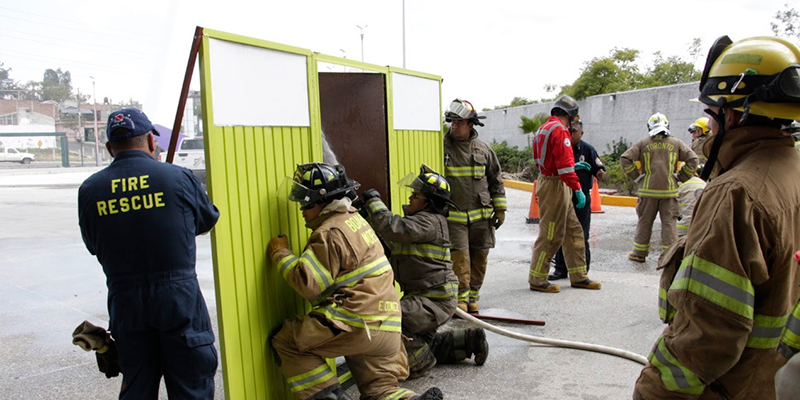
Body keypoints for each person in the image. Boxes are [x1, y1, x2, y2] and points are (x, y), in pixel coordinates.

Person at [633, 35, 800, 399]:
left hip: (733, 385)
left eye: (713, 112)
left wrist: (654, 391)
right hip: (775, 379)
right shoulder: (793, 171)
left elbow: (710, 330)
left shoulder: (736, 193)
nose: (707, 124)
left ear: (733, 112)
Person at [78, 108, 220, 399]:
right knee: (191, 386)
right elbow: (207, 220)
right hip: (178, 299)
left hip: (126, 303)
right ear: (152, 143)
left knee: (137, 386)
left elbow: (93, 245)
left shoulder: (90, 189)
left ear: (109, 149)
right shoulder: (177, 177)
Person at [268, 163, 442, 400]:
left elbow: (307, 283)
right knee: (380, 391)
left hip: (357, 322)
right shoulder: (358, 221)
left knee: (287, 340)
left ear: (321, 201)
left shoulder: (329, 231)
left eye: (305, 202)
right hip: (389, 326)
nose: (301, 208)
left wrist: (280, 254)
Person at [361, 165, 488, 379]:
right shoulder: (421, 223)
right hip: (428, 298)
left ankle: (420, 362)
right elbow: (390, 244)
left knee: (391, 318)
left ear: (428, 202)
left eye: (416, 195)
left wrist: (374, 202)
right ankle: (467, 341)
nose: (410, 198)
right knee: (420, 339)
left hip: (433, 301)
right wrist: (367, 216)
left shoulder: (428, 221)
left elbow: (393, 227)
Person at [528, 95, 601, 293]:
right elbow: (565, 168)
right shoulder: (559, 130)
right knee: (551, 234)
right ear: (570, 114)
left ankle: (579, 276)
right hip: (555, 185)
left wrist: (569, 173)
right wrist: (578, 189)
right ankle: (537, 279)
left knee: (574, 231)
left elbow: (548, 159)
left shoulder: (544, 128)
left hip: (551, 180)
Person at [443, 99, 507, 313]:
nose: (454, 125)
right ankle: (460, 300)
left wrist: (500, 208)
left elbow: (495, 180)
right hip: (455, 217)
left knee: (480, 258)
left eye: (459, 122)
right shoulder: (442, 147)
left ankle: (473, 297)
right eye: (452, 121)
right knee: (459, 259)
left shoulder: (484, 149)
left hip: (482, 218)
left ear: (471, 124)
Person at [620, 113, 698, 263]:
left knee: (644, 222)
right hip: (669, 193)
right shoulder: (676, 143)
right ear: (667, 126)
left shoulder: (643, 143)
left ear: (649, 127)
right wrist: (681, 177)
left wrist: (636, 177)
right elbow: (693, 159)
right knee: (669, 224)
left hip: (647, 192)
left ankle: (639, 253)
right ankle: (670, 256)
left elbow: (625, 158)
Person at [549, 120, 606, 281]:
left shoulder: (587, 149)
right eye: (569, 130)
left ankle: (582, 271)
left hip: (581, 198)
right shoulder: (562, 147)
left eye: (574, 131)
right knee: (560, 232)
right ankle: (560, 269)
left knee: (581, 234)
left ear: (581, 133)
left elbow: (599, 169)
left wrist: (600, 173)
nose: (571, 133)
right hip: (563, 194)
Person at [676, 166, 706, 237]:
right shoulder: (702, 183)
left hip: (683, 228)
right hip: (702, 226)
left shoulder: (679, 183)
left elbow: (671, 207)